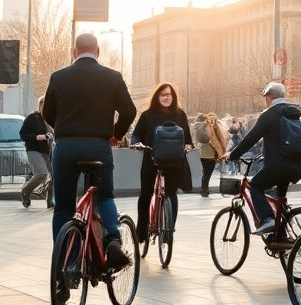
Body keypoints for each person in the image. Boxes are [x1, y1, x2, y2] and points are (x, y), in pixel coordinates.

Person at [44, 33, 137, 270]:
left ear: (74, 52)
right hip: (98, 146)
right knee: (104, 195)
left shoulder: (59, 77)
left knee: (64, 207)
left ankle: (66, 266)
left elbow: (47, 114)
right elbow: (129, 111)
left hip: (66, 148)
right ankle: (114, 240)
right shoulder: (112, 77)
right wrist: (116, 133)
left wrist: (66, 130)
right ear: (98, 51)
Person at [223, 82, 301, 235]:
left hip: (278, 167)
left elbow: (250, 139)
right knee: (279, 200)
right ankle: (281, 234)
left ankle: (267, 219)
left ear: (269, 96)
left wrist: (233, 155)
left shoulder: (269, 115)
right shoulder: (292, 114)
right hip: (298, 167)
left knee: (256, 186)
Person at [131, 83, 194, 236]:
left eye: (170, 94)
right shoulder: (147, 115)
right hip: (151, 159)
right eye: (163, 94)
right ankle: (142, 231)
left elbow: (188, 139)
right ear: (157, 97)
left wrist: (188, 146)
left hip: (173, 161)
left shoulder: (180, 115)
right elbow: (137, 133)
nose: (167, 97)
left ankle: (169, 230)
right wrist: (136, 143)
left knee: (171, 194)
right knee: (145, 194)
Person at [19, 96, 54, 209]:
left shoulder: (50, 119)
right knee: (41, 174)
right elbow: (22, 135)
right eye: (45, 106)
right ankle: (25, 191)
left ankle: (50, 201)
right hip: (33, 149)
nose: (47, 109)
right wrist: (37, 137)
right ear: (40, 106)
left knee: (52, 176)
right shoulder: (32, 117)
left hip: (46, 150)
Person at [193, 112, 226, 197]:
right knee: (207, 172)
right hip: (209, 153)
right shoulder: (209, 127)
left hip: (204, 152)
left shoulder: (200, 126)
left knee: (206, 172)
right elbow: (213, 140)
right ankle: (204, 189)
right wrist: (220, 152)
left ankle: (204, 188)